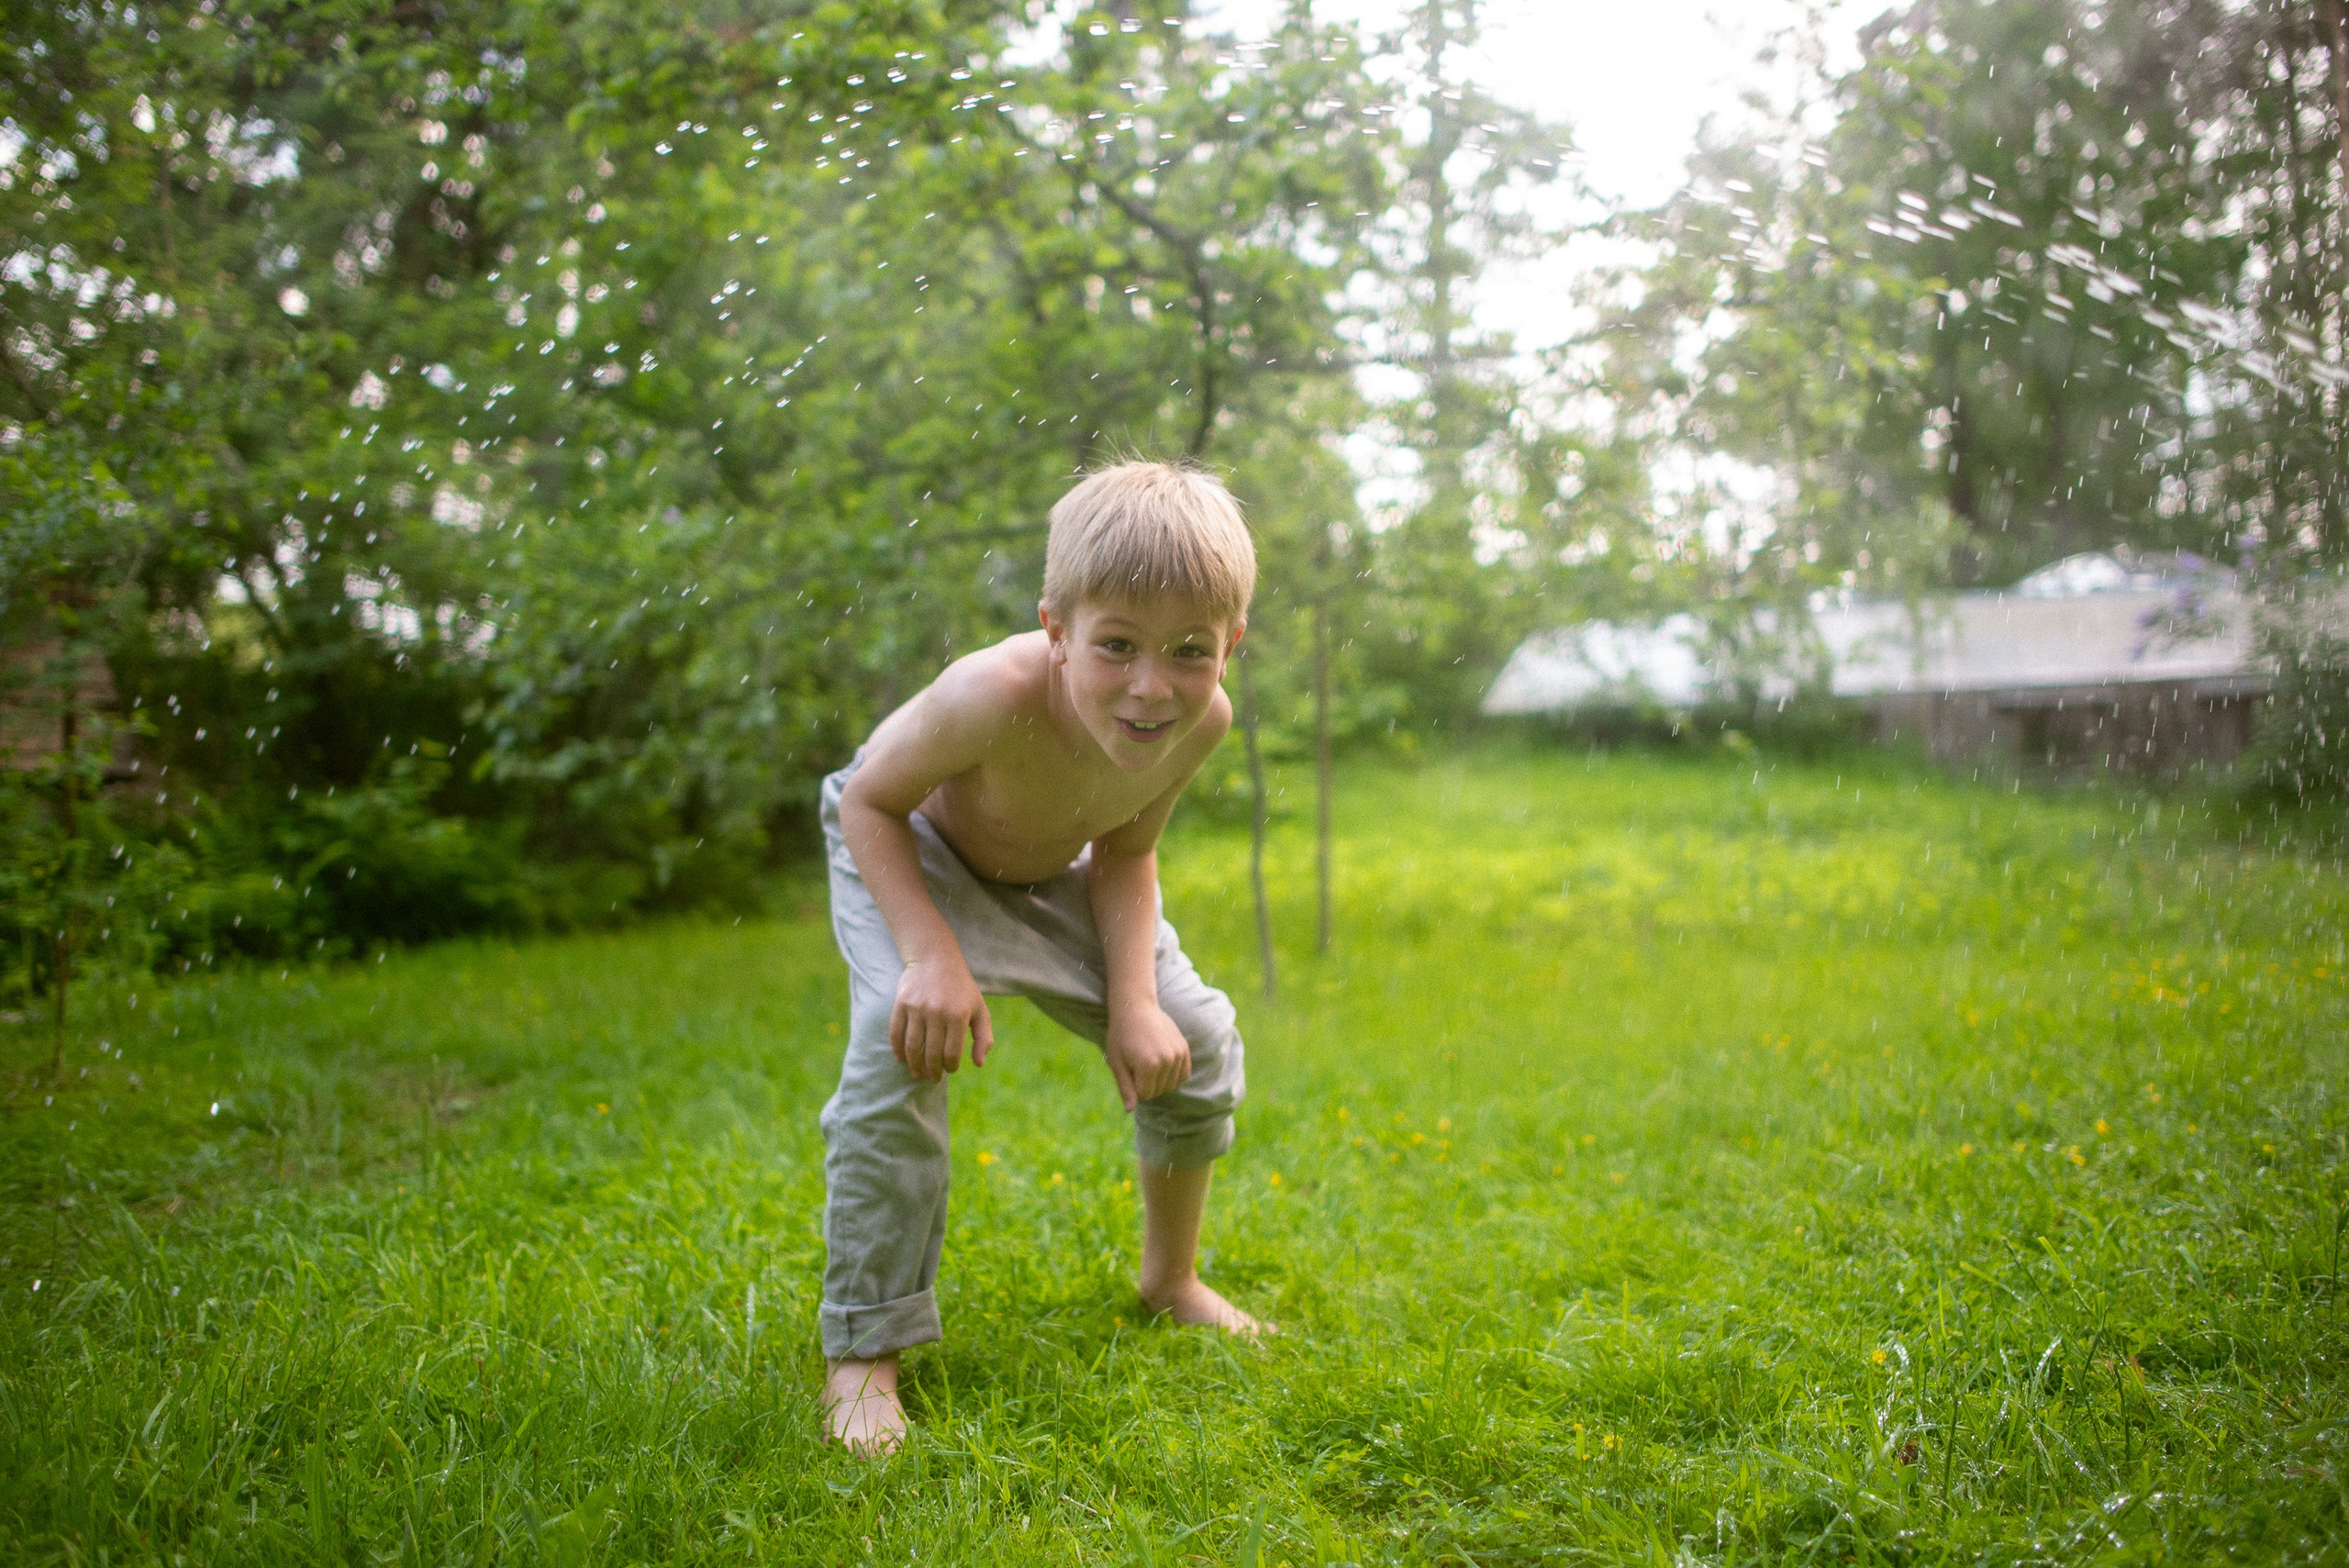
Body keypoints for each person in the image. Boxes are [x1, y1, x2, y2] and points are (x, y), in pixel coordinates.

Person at [817, 461, 1269, 1454]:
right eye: (1115, 645)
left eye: (1190, 649)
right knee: (895, 1049)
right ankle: (862, 1351)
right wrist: (930, 955)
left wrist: (1135, 1002)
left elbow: (1127, 850)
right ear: (1056, 628)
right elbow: (866, 804)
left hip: (1053, 866)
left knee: (1191, 1035)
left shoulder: (1204, 719)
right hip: (910, 849)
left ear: (1229, 643)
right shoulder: (989, 691)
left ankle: (1171, 1278)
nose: (1151, 685)